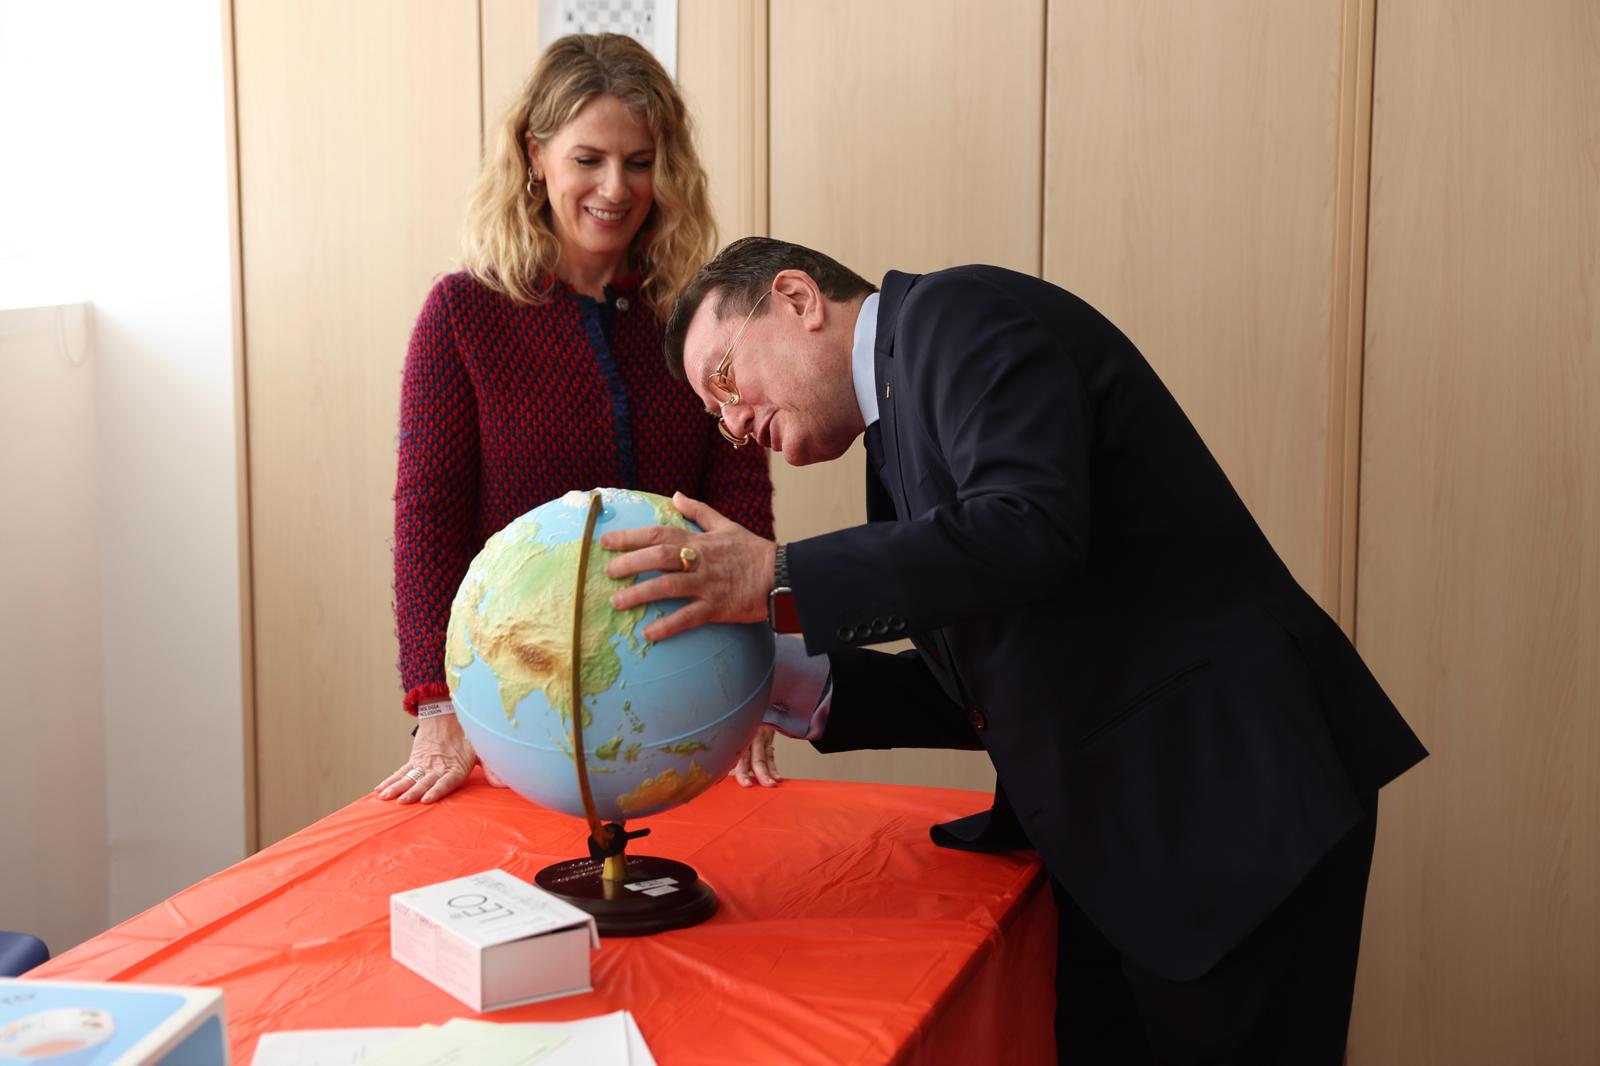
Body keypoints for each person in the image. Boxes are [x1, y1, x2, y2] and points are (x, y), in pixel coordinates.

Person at [600, 236, 1429, 1064]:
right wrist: (782, 678)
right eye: (716, 416)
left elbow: (1029, 531)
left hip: (1230, 808)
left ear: (797, 299)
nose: (735, 425)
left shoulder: (960, 319)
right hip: (1134, 847)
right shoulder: (894, 423)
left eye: (724, 381)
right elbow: (990, 682)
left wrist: (777, 575)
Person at [374, 35, 780, 807]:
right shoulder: (462, 313)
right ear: (536, 155)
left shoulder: (698, 317)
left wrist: (760, 673)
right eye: (588, 158)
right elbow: (426, 516)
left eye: (639, 161)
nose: (615, 188)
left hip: (683, 702)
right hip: (524, 709)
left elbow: (738, 503)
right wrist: (435, 702)